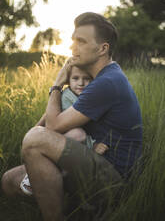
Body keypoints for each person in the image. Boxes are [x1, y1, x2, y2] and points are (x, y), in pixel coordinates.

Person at [1, 12, 142, 221]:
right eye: (73, 40)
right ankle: (70, 205)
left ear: (102, 48)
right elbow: (49, 124)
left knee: (35, 141)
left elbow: (52, 127)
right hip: (89, 160)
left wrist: (57, 84)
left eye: (81, 41)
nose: (72, 48)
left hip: (112, 179)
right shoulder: (97, 79)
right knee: (9, 180)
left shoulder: (107, 82)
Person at [20, 65, 108, 196]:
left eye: (86, 79)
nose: (81, 83)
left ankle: (58, 176)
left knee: (78, 135)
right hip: (52, 137)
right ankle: (32, 176)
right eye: (75, 78)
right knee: (78, 134)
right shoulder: (67, 96)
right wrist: (93, 145)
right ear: (68, 81)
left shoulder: (84, 97)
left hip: (59, 139)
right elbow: (50, 119)